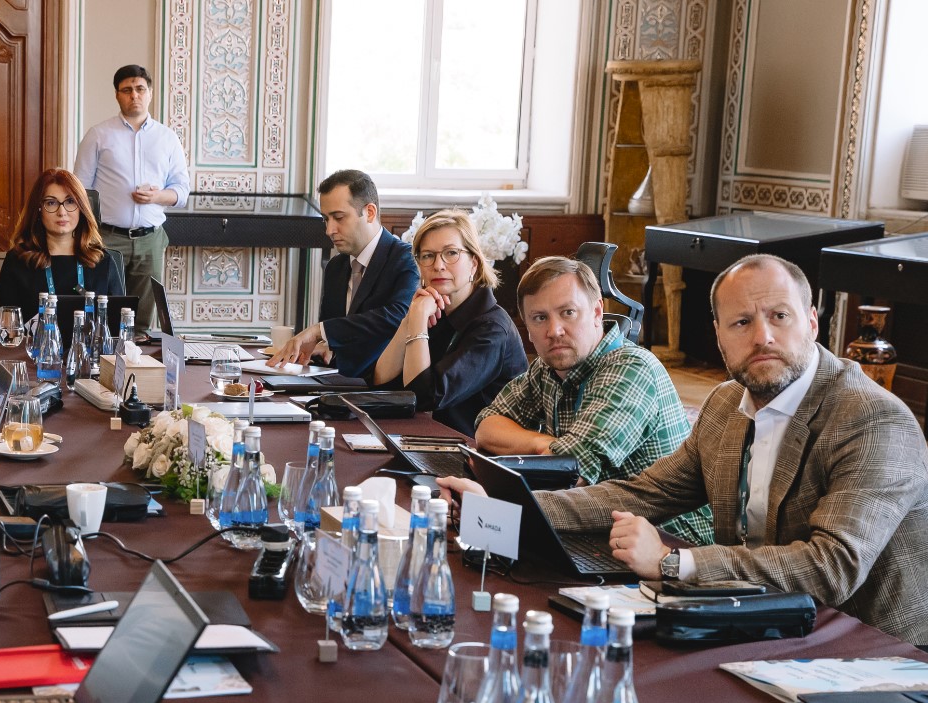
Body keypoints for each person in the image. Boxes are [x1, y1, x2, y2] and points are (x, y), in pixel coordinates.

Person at [445, 254, 928, 645]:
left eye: (779, 316)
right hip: (757, 614)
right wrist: (506, 506)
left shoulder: (872, 419)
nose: (762, 336)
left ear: (812, 322)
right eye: (741, 322)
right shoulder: (725, 405)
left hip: (868, 648)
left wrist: (674, 563)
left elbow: (832, 568)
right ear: (719, 336)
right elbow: (640, 494)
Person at [474, 256, 712, 545]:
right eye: (540, 318)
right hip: (594, 521)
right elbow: (486, 427)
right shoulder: (547, 367)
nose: (554, 330)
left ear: (597, 312)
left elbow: (570, 471)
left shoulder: (631, 369)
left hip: (672, 540)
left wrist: (550, 454)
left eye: (568, 312)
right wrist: (540, 443)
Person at [369, 210, 526, 435]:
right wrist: (409, 320)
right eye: (427, 255)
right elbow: (381, 383)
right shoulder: (437, 310)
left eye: (451, 253)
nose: (438, 265)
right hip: (431, 440)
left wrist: (418, 321)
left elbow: (422, 398)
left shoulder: (492, 329)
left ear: (474, 263)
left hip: (477, 451)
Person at [267, 169, 418, 378]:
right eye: (325, 219)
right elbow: (332, 333)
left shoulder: (406, 259)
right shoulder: (336, 267)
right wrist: (324, 346)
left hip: (381, 385)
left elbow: (398, 317)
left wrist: (320, 331)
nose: (329, 230)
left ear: (369, 212)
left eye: (339, 217)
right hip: (332, 377)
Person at [74, 64, 190, 332]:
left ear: (150, 93)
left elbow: (182, 190)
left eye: (140, 89)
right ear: (117, 95)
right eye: (127, 90)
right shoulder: (98, 135)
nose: (134, 95)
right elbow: (80, 189)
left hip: (150, 239)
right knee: (102, 309)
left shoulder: (167, 138)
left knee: (142, 318)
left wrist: (158, 196)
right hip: (107, 237)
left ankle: (138, 353)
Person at [0, 168, 120, 312]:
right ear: (38, 209)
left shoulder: (103, 261)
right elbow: (4, 323)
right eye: (51, 203)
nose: (62, 212)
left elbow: (120, 319)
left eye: (70, 201)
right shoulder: (18, 260)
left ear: (81, 208)